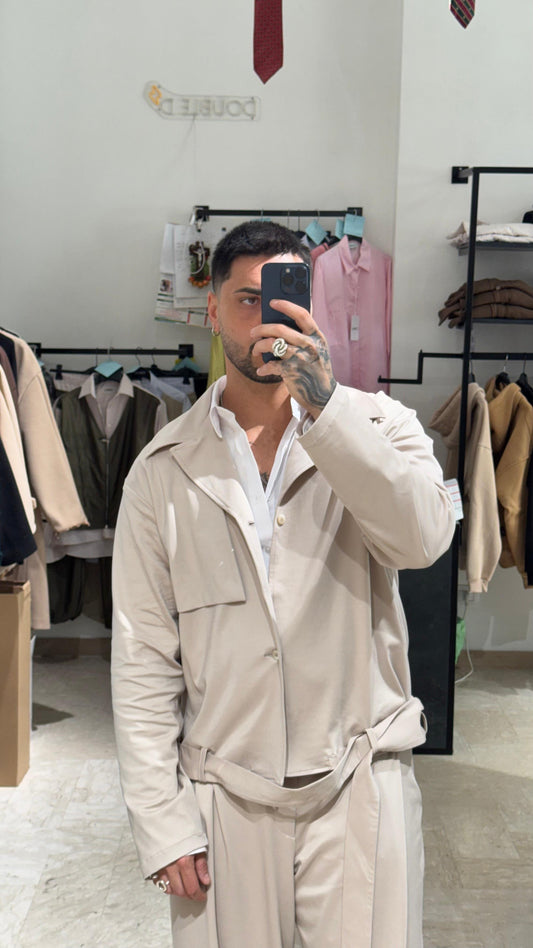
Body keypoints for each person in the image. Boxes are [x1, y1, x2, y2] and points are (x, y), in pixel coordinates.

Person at [111, 221, 456, 948]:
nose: (265, 319)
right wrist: (161, 819)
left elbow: (422, 540)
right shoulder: (162, 469)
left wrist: (328, 412)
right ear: (211, 311)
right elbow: (142, 656)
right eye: (246, 300)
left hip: (359, 778)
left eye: (283, 297)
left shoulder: (380, 426)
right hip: (224, 794)